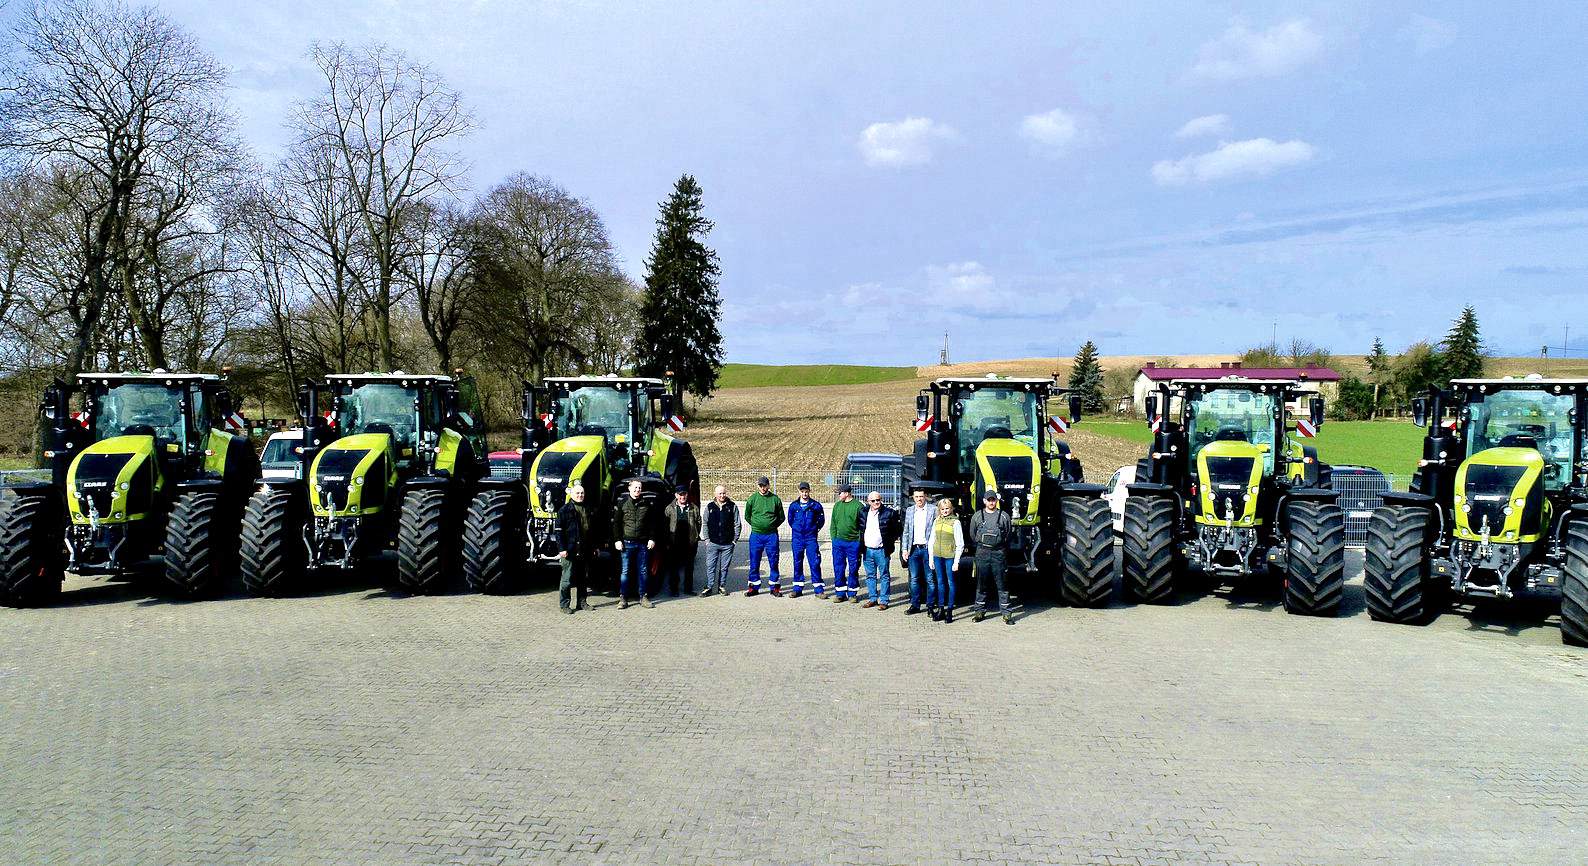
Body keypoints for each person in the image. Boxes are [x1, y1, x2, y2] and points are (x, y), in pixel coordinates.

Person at [612, 479, 659, 609]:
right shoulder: (622, 503)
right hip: (627, 543)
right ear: (629, 488)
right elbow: (616, 523)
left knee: (643, 571)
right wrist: (617, 540)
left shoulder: (646, 504)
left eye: (639, 488)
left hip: (643, 544)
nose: (637, 490)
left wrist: (652, 538)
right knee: (625, 571)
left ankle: (643, 597)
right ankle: (623, 598)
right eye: (635, 487)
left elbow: (652, 524)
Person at [969, 490, 1014, 624]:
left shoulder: (1004, 516)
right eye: (989, 500)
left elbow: (1008, 534)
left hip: (998, 553)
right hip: (982, 553)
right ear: (984, 501)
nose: (991, 502)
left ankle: (1007, 614)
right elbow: (972, 534)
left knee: (1002, 584)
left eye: (993, 500)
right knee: (981, 584)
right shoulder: (977, 516)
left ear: (996, 501)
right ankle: (979, 611)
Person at [555, 482, 600, 614]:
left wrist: (595, 546)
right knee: (567, 579)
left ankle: (582, 603)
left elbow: (592, 531)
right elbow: (558, 532)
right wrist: (562, 549)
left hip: (585, 549)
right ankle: (564, 605)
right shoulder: (564, 510)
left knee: (583, 579)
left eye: (582, 493)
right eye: (577, 493)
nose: (580, 495)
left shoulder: (588, 508)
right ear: (571, 494)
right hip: (570, 549)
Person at [744, 476, 784, 596]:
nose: (763, 488)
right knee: (754, 561)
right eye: (760, 486)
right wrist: (757, 525)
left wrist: (770, 525)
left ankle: (774, 587)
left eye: (764, 485)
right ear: (758, 486)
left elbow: (781, 517)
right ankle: (754, 587)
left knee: (774, 561)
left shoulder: (775, 499)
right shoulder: (752, 499)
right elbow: (747, 516)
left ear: (768, 486)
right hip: (756, 535)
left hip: (771, 535)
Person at [898, 488, 936, 616]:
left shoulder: (933, 510)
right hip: (913, 550)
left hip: (927, 549)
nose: (919, 499)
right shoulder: (910, 510)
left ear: (925, 497)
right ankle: (915, 605)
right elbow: (906, 531)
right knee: (914, 579)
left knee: (930, 579)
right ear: (913, 498)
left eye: (921, 496)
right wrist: (904, 549)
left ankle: (930, 606)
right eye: (916, 497)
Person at [860, 490, 900, 610]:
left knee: (884, 575)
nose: (876, 502)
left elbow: (897, 530)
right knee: (870, 576)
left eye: (878, 500)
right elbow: (860, 528)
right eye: (873, 500)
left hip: (882, 550)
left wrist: (889, 542)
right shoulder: (863, 512)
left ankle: (884, 600)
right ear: (868, 502)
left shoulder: (889, 513)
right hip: (867, 550)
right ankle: (872, 599)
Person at [786, 481, 825, 598]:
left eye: (806, 492)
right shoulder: (794, 506)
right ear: (799, 492)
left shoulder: (816, 506)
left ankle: (818, 589)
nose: (804, 494)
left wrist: (814, 529)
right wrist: (797, 529)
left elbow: (821, 521)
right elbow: (790, 520)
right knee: (797, 562)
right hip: (797, 538)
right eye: (802, 492)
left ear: (809, 491)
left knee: (815, 562)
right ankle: (797, 588)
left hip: (810, 538)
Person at [700, 485, 740, 596]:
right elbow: (705, 523)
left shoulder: (732, 506)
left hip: (728, 544)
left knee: (724, 567)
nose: (722, 495)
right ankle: (709, 586)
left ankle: (721, 586)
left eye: (723, 493)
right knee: (710, 566)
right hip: (712, 543)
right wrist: (707, 539)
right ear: (715, 494)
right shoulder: (710, 507)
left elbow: (737, 524)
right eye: (720, 493)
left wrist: (734, 540)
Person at [662, 485, 700, 596]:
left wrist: (695, 537)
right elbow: (665, 526)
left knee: (689, 567)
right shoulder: (669, 508)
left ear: (687, 495)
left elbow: (698, 523)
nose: (682, 497)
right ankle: (674, 589)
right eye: (680, 494)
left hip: (689, 543)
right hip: (674, 543)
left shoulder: (694, 508)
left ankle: (688, 589)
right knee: (674, 567)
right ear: (676, 495)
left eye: (684, 494)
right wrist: (667, 541)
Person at [929, 497, 964, 622]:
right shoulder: (936, 521)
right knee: (940, 583)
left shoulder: (955, 522)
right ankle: (941, 609)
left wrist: (956, 561)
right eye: (942, 509)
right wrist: (930, 558)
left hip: (950, 556)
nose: (945, 511)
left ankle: (949, 611)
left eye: (947, 508)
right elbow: (932, 540)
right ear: (939, 509)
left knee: (950, 583)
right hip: (937, 555)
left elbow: (960, 543)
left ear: (951, 508)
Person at [829, 483, 863, 602]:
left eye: (840, 493)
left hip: (853, 543)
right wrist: (834, 538)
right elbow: (833, 523)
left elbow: (862, 525)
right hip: (838, 542)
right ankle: (840, 593)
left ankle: (852, 593)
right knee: (838, 567)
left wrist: (858, 541)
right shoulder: (837, 506)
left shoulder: (858, 506)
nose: (839, 495)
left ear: (847, 493)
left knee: (853, 568)